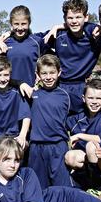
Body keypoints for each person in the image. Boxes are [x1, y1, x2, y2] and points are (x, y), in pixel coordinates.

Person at [44, 0, 100, 113]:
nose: (74, 21)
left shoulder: (94, 34)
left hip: (82, 87)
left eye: (78, 17)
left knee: (81, 124)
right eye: (70, 18)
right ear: (65, 19)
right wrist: (10, 32)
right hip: (60, 85)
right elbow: (31, 40)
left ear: (86, 17)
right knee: (58, 124)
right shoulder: (58, 35)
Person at [27, 54, 72, 188]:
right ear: (38, 74)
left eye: (52, 73)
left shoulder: (65, 95)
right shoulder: (32, 94)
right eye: (44, 73)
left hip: (58, 146)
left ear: (59, 72)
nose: (48, 77)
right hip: (36, 146)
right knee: (38, 187)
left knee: (61, 187)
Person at [63, 79, 101, 192]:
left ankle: (98, 186)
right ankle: (83, 181)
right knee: (70, 156)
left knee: (92, 146)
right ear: (83, 98)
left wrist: (79, 136)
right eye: (90, 98)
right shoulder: (76, 119)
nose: (94, 102)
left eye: (98, 98)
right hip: (85, 160)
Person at [0, 56, 31, 147]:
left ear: (10, 74)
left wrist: (22, 135)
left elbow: (26, 115)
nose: (3, 79)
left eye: (6, 75)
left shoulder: (17, 92)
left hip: (12, 138)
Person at [3, 5, 46, 87]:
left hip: (31, 90)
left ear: (29, 23)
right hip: (9, 91)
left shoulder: (37, 42)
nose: (20, 28)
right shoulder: (5, 42)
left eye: (23, 24)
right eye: (16, 24)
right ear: (11, 23)